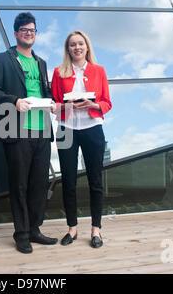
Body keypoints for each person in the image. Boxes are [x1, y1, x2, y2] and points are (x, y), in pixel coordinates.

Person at [0, 12, 58, 254]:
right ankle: (21, 234)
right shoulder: (2, 59)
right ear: (16, 33)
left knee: (39, 184)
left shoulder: (42, 63)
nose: (29, 34)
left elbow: (45, 91)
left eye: (33, 30)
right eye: (24, 30)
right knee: (19, 185)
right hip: (17, 129)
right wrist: (14, 100)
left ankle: (35, 229)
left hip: (42, 129)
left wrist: (52, 103)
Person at [51, 30, 112, 248]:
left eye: (80, 44)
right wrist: (66, 106)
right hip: (66, 128)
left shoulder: (99, 71)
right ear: (68, 49)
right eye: (72, 44)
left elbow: (106, 102)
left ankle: (96, 230)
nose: (77, 47)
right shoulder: (59, 72)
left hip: (92, 128)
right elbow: (55, 103)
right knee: (68, 181)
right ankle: (72, 229)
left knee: (95, 181)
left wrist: (92, 105)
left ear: (87, 47)